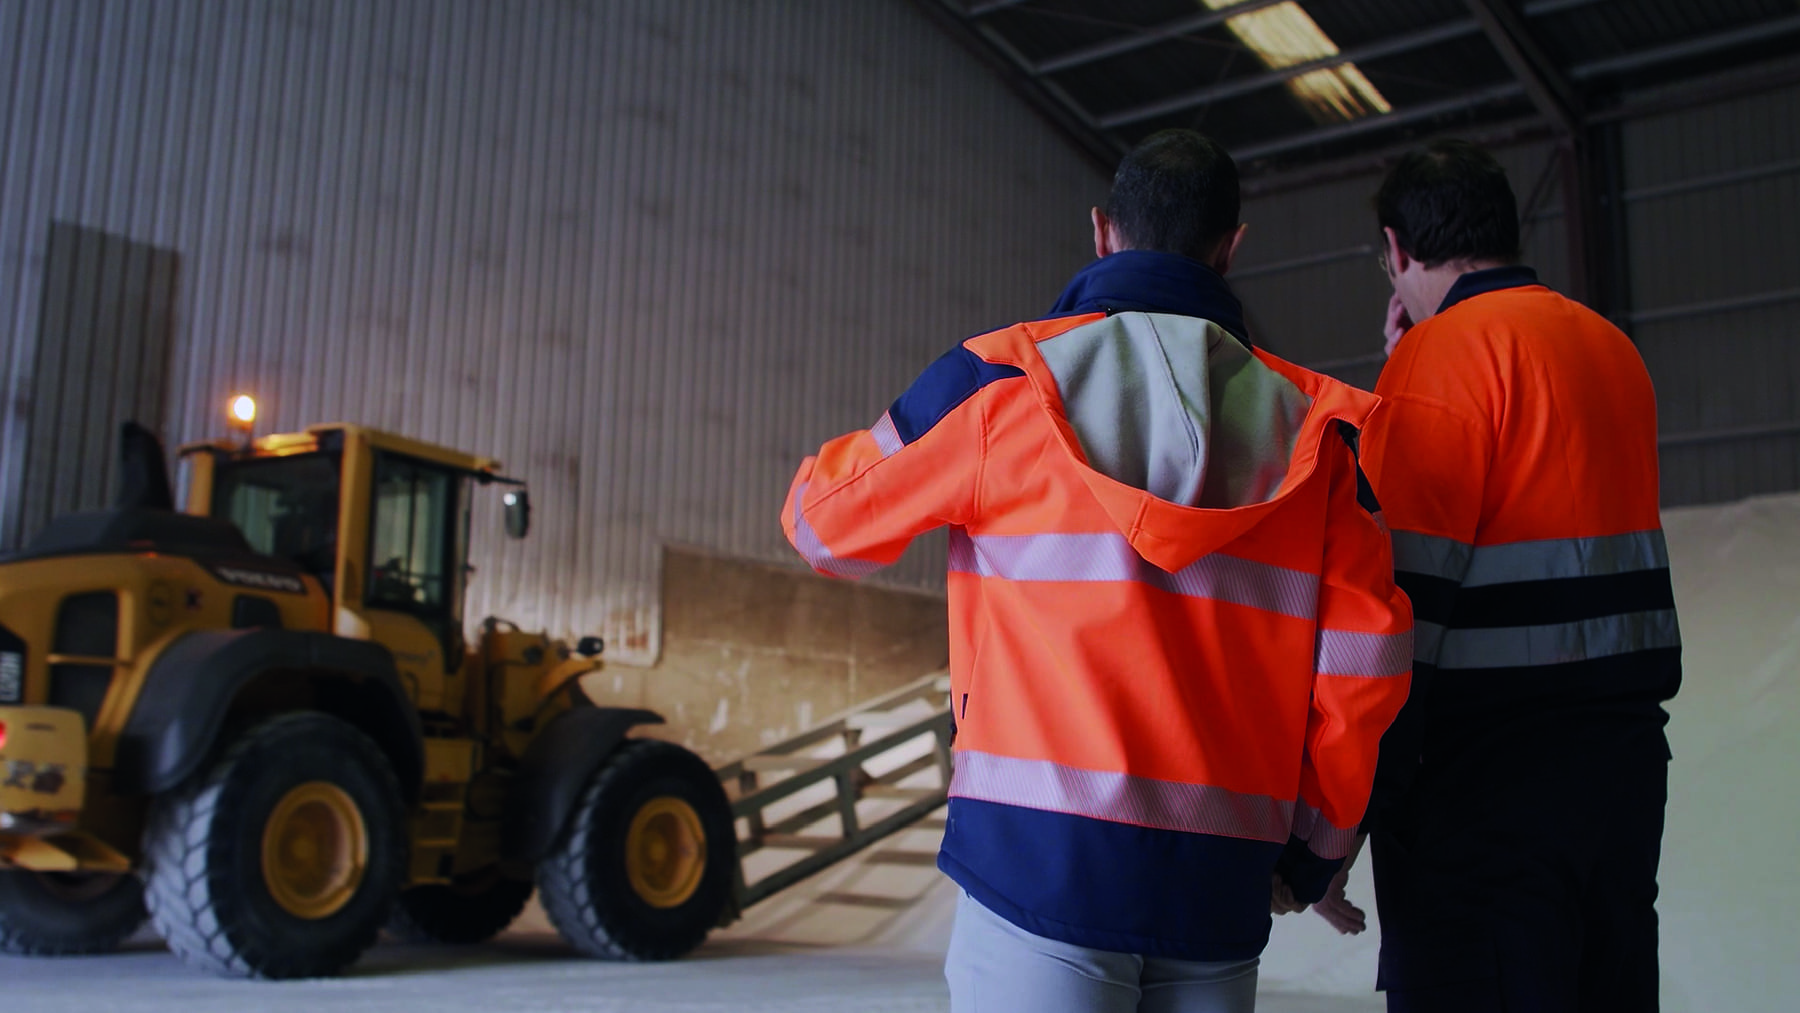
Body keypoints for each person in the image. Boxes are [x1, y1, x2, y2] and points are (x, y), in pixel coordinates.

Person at [781, 129, 1413, 1013]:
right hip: (1219, 884)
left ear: (1101, 231)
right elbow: (1365, 664)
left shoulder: (999, 387)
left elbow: (823, 527)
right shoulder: (1321, 439)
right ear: (1233, 245)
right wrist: (1313, 851)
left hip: (1038, 873)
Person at [1321, 139, 1681, 1012]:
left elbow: (1401, 616)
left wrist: (1336, 832)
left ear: (1398, 249)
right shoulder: (1612, 351)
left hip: (1485, 797)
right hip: (1624, 771)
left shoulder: (1437, 364)